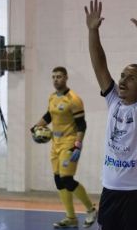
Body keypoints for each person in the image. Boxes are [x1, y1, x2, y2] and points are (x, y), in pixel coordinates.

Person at [85, 0, 137, 230]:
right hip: (110, 191)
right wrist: (92, 31)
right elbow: (99, 66)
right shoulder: (114, 102)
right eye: (122, 76)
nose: (122, 81)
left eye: (130, 78)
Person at [31, 66, 97, 228]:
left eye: (59, 77)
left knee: (67, 179)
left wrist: (77, 145)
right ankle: (71, 218)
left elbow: (82, 125)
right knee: (58, 181)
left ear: (66, 78)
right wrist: (35, 127)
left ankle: (91, 209)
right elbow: (49, 116)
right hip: (55, 144)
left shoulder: (73, 99)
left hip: (70, 143)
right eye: (53, 77)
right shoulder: (52, 97)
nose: (56, 80)